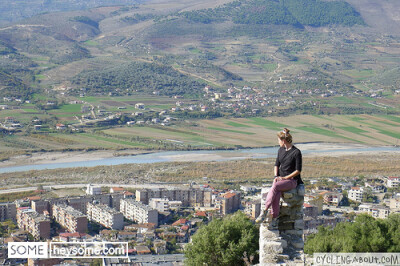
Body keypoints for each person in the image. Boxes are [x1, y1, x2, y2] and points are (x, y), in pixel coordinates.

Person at [256, 128, 303, 226]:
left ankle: (265, 210)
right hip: (280, 179)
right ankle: (274, 217)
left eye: (278, 140)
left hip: (292, 180)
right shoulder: (280, 150)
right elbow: (276, 164)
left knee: (275, 187)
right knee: (276, 191)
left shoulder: (296, 152)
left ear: (283, 141)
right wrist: (276, 176)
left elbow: (298, 170)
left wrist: (285, 178)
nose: (278, 142)